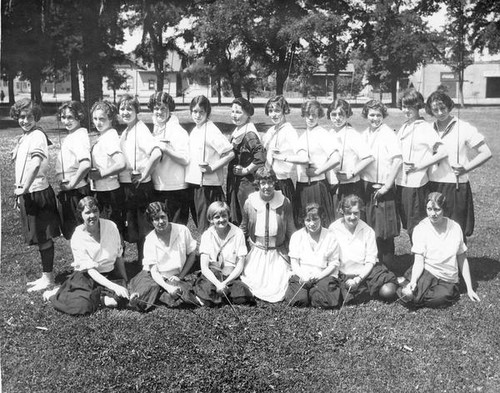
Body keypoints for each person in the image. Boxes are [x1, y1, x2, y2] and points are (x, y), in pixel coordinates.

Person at [46, 197, 129, 315]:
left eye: (95, 211)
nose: (92, 215)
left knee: (122, 298)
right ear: (81, 215)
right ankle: (55, 295)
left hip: (109, 273)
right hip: (87, 276)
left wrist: (124, 281)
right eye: (87, 212)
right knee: (81, 307)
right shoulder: (78, 236)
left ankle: (102, 298)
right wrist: (114, 287)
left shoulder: (111, 226)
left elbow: (118, 257)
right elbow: (90, 270)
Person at [426, 90, 492, 239]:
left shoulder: (464, 127)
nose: (440, 112)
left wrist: (465, 169)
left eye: (443, 108)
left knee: (456, 228)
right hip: (431, 184)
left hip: (455, 185)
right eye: (435, 110)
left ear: (449, 106)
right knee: (434, 229)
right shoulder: (428, 128)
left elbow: (486, 152)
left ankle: (457, 261)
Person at [10, 98, 61, 292]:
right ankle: (45, 275)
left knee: (44, 236)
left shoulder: (38, 135)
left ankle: (48, 278)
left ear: (36, 117)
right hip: (29, 192)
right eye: (21, 117)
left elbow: (36, 164)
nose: (25, 120)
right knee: (39, 237)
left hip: (37, 191)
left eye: (29, 117)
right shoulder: (26, 136)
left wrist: (23, 189)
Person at [399, 192, 480, 308]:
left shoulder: (455, 227)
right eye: (429, 209)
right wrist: (414, 281)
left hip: (448, 277)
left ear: (444, 209)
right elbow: (419, 261)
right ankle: (411, 283)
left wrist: (470, 289)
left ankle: (409, 286)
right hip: (428, 271)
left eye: (437, 209)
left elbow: (462, 258)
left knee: (438, 299)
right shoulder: (420, 229)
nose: (433, 214)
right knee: (411, 295)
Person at [276, 100, 339, 227]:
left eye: (314, 115)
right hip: (302, 186)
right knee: (304, 224)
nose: (310, 118)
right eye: (307, 114)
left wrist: (318, 171)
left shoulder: (321, 133)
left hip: (316, 185)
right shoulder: (304, 134)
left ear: (319, 116)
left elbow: (336, 158)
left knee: (320, 224)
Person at [395, 89, 447, 241]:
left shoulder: (425, 127)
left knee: (416, 224)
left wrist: (419, 166)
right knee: (408, 222)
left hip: (416, 185)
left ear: (418, 107)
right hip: (401, 183)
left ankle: (420, 259)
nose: (407, 110)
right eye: (404, 106)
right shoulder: (404, 127)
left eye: (410, 107)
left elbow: (442, 152)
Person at [127, 202, 199, 311]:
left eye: (163, 217)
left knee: (188, 298)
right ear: (151, 222)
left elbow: (192, 254)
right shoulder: (150, 239)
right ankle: (140, 297)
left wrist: (180, 276)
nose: (161, 221)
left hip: (175, 276)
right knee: (148, 289)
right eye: (156, 219)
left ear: (167, 215)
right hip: (153, 276)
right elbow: (154, 271)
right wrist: (168, 288)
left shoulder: (182, 230)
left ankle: (161, 295)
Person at [329, 195, 398, 304]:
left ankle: (365, 287)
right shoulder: (333, 229)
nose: (352, 217)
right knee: (337, 295)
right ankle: (365, 291)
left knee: (388, 291)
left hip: (365, 271)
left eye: (356, 213)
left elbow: (370, 260)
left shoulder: (368, 230)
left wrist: (359, 279)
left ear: (360, 212)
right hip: (342, 272)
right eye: (348, 213)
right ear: (342, 212)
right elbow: (331, 258)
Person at [240, 167, 295, 302]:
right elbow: (244, 227)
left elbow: (291, 229)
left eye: (270, 182)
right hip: (256, 250)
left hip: (277, 251)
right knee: (253, 282)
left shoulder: (284, 201)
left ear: (274, 183)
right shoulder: (249, 202)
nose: (267, 187)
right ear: (257, 184)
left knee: (279, 285)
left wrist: (295, 253)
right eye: (263, 183)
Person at [118, 94, 161, 263]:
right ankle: (141, 261)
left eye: (130, 108)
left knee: (144, 228)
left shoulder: (140, 129)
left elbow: (156, 153)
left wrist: (144, 175)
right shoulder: (127, 130)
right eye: (122, 108)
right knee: (133, 227)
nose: (126, 112)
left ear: (137, 111)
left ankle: (147, 263)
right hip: (128, 187)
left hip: (140, 188)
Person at [360, 100, 402, 270]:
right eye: (372, 115)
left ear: (383, 116)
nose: (375, 118)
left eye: (378, 115)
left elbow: (398, 161)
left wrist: (386, 186)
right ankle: (372, 269)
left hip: (383, 188)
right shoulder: (364, 134)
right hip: (366, 187)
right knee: (370, 229)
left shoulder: (387, 134)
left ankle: (388, 271)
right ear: (366, 115)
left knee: (385, 232)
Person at [184, 95, 235, 232]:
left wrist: (212, 168)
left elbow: (230, 153)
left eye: (201, 112)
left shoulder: (211, 130)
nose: (198, 115)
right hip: (194, 185)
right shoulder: (196, 129)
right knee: (200, 224)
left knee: (208, 227)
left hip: (207, 187)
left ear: (207, 112)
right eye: (194, 111)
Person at [194, 202, 254, 306]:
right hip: (213, 275)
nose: (221, 220)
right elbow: (204, 267)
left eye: (224, 216)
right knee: (206, 293)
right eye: (217, 217)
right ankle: (217, 296)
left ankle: (219, 296)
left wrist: (225, 283)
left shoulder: (238, 233)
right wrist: (218, 284)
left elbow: (240, 264)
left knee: (243, 296)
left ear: (229, 216)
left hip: (230, 275)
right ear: (210, 219)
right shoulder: (207, 235)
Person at [284, 203, 341, 308]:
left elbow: (334, 263)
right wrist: (303, 276)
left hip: (323, 275)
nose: (312, 223)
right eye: (308, 220)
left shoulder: (331, 236)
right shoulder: (297, 236)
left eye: (315, 219)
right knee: (298, 301)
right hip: (302, 275)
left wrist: (319, 276)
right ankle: (307, 294)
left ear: (321, 218)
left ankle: (314, 293)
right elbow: (294, 262)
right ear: (303, 220)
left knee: (324, 301)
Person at [149, 91, 192, 225]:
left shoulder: (178, 131)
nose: (159, 112)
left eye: (163, 108)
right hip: (159, 186)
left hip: (175, 188)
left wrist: (166, 149)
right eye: (156, 108)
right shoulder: (156, 129)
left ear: (170, 110)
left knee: (176, 228)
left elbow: (185, 159)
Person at [88, 100, 126, 238]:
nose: (98, 122)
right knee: (105, 229)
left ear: (111, 119)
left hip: (110, 191)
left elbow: (121, 163)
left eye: (102, 119)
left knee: (112, 230)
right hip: (102, 190)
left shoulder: (110, 136)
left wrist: (101, 174)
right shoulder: (104, 136)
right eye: (95, 119)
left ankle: (117, 258)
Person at [326, 99, 373, 212]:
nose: (337, 118)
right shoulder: (330, 133)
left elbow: (368, 158)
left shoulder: (352, 135)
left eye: (341, 114)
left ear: (347, 115)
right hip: (333, 186)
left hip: (350, 186)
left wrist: (351, 174)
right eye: (334, 114)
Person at [55, 100, 92, 239]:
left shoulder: (79, 136)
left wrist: (71, 184)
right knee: (73, 232)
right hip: (70, 191)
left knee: (80, 232)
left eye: (70, 117)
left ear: (80, 116)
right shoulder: (72, 135)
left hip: (76, 192)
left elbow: (85, 164)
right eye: (63, 117)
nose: (66, 121)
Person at [227, 97, 265, 225]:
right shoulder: (238, 130)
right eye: (232, 111)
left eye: (238, 112)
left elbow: (260, 158)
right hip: (236, 180)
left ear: (248, 114)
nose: (234, 115)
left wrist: (245, 170)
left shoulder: (249, 134)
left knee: (246, 216)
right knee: (237, 213)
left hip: (246, 182)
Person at [262, 95, 299, 224]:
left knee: (283, 221)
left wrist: (283, 157)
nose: (274, 114)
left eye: (277, 110)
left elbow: (300, 155)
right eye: (271, 111)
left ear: (284, 111)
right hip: (269, 180)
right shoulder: (272, 130)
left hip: (282, 182)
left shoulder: (289, 131)